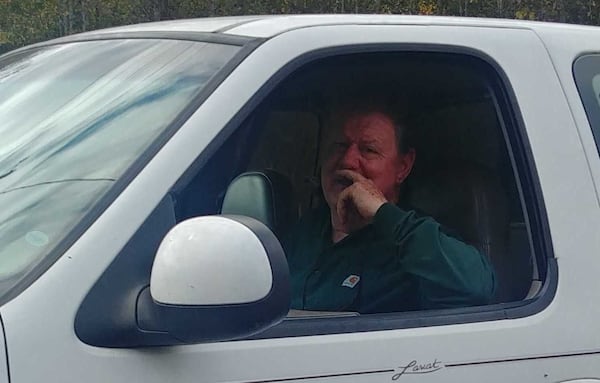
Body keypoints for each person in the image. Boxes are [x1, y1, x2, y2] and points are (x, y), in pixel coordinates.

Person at [283, 99, 496, 314]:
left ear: (402, 167)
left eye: (368, 150)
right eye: (339, 146)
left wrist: (383, 214)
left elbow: (476, 288)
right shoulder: (302, 234)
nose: (347, 160)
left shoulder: (416, 243)